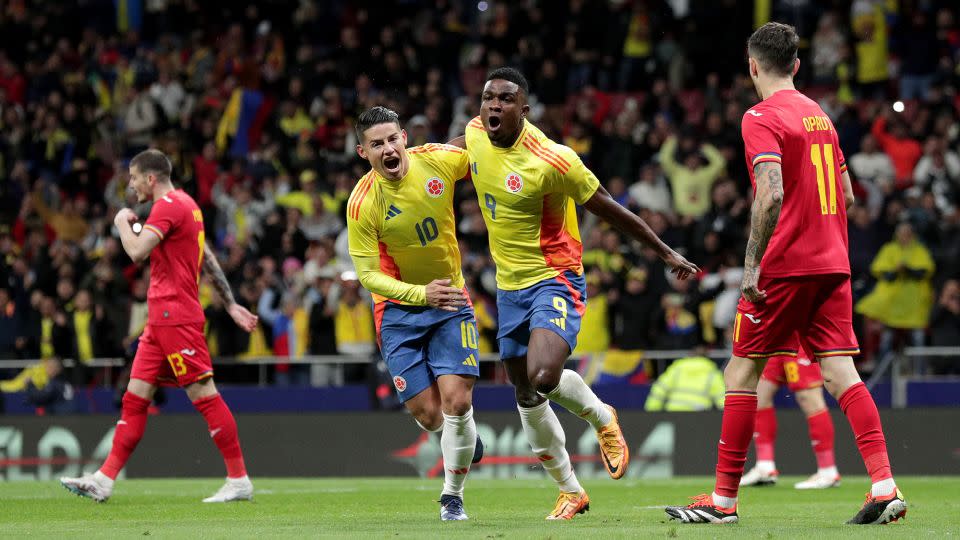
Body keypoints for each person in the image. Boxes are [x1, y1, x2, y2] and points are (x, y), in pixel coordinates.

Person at [665, 23, 905, 525]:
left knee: (741, 372)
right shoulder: (821, 116)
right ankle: (884, 485)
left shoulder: (760, 116)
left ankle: (724, 502)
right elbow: (848, 196)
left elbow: (769, 192)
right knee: (841, 373)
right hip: (832, 263)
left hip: (786, 267)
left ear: (753, 66)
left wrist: (752, 263)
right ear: (795, 65)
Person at [453, 67, 699, 520]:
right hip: (509, 288)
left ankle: (602, 416)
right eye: (488, 97)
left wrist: (665, 253)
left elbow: (610, 207)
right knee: (525, 394)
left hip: (555, 276)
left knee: (544, 375)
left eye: (506, 99)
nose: (493, 105)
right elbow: (444, 160)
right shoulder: (472, 134)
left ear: (523, 110)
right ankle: (570, 490)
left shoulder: (553, 159)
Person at [60, 149, 259, 503]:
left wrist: (121, 221)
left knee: (204, 395)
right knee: (134, 400)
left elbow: (136, 251)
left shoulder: (167, 206)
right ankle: (104, 479)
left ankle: (239, 478)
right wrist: (229, 303)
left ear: (150, 178)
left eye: (134, 178)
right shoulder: (188, 204)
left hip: (176, 317)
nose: (131, 184)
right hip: (160, 320)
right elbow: (206, 256)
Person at [347, 107, 482, 521]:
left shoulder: (437, 161)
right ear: (362, 152)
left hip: (451, 300)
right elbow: (368, 276)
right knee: (429, 414)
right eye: (376, 144)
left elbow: (481, 151)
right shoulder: (362, 204)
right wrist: (421, 294)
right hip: (399, 311)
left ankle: (452, 496)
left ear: (404, 137)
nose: (388, 149)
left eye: (392, 139)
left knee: (456, 404)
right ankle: (462, 440)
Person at [740, 342, 841, 490]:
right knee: (760, 393)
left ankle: (828, 471)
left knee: (808, 397)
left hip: (800, 338)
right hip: (777, 339)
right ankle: (764, 467)